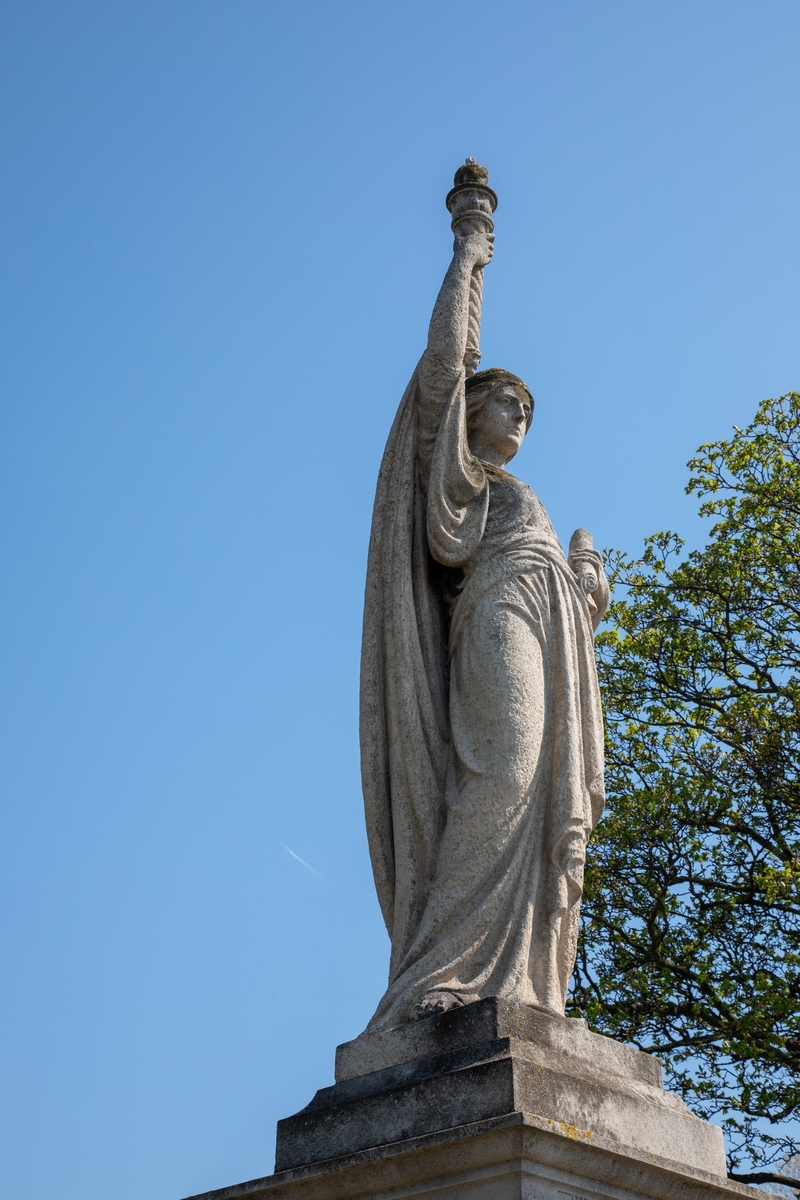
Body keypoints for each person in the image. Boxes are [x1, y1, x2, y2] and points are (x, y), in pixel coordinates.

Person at [360, 213, 608, 1032]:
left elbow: (568, 595)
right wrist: (471, 251)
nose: (521, 417)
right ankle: (447, 965)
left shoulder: (522, 494)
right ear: (468, 414)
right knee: (503, 770)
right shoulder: (456, 469)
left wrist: (584, 597)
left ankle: (526, 984)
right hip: (497, 609)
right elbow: (445, 364)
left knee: (542, 799)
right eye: (508, 402)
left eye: (528, 412)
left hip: (549, 617)